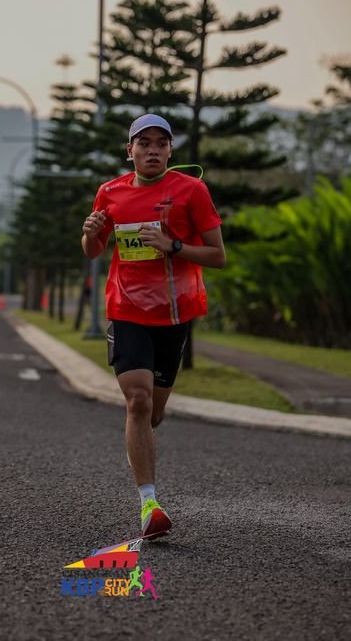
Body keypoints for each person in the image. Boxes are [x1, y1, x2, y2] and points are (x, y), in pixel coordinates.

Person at [81, 114, 226, 540]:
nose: (153, 150)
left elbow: (218, 256)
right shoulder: (110, 192)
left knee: (154, 412)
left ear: (170, 150)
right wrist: (90, 233)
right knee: (138, 401)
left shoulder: (191, 190)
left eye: (161, 143)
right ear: (130, 150)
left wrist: (173, 246)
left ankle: (139, 441)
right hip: (126, 309)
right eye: (144, 143)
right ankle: (149, 504)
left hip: (174, 314)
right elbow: (93, 251)